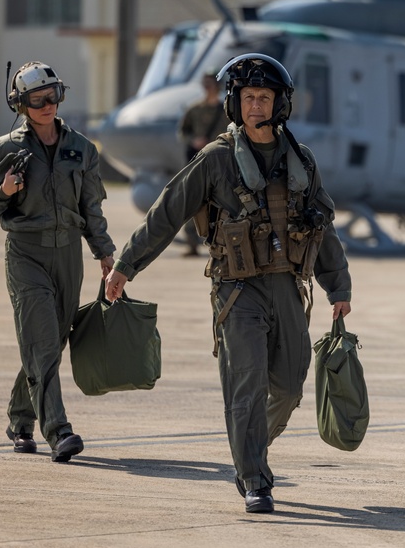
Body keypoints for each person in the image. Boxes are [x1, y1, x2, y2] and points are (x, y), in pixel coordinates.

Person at [103, 53, 352, 514]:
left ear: (280, 104)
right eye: (248, 97)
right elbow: (167, 212)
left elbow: (323, 227)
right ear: (235, 104)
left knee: (291, 387)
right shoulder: (216, 160)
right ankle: (254, 476)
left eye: (264, 97)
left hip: (288, 287)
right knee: (247, 383)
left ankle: (250, 443)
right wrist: (126, 266)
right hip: (237, 291)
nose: (256, 105)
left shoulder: (301, 161)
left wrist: (339, 287)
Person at [0, 60, 115, 462]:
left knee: (49, 344)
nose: (47, 106)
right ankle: (59, 430)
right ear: (20, 104)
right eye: (37, 100)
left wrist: (105, 252)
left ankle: (20, 419)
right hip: (25, 253)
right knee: (42, 340)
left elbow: (92, 208)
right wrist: (2, 190)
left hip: (68, 253)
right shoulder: (2, 149)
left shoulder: (82, 149)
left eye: (51, 97)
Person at [176, 71, 224, 256]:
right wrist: (194, 140)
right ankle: (192, 243)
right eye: (205, 83)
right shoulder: (194, 109)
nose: (208, 87)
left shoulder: (226, 111)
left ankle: (221, 242)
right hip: (197, 162)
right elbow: (182, 132)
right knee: (192, 200)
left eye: (211, 83)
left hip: (220, 163)